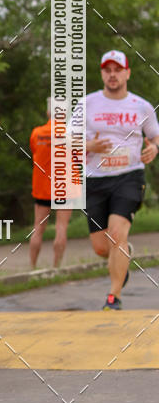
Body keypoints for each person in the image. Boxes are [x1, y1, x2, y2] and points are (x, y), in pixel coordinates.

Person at [79, 50, 159, 310]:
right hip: (95, 179)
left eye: (117, 70)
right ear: (102, 73)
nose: (112, 75)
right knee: (102, 247)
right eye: (107, 70)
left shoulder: (141, 106)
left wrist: (154, 148)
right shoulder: (87, 103)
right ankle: (123, 259)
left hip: (129, 177)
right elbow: (67, 138)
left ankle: (113, 297)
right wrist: (90, 144)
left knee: (117, 234)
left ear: (127, 73)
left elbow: (155, 136)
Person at [29, 98, 72, 268]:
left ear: (48, 112)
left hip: (41, 188)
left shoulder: (37, 133)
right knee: (61, 229)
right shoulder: (70, 134)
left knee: (38, 229)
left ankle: (32, 268)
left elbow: (34, 150)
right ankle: (56, 267)